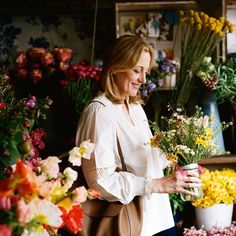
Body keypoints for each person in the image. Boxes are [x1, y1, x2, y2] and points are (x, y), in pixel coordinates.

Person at [75, 34, 201, 236]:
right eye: (137, 71)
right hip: (133, 224)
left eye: (146, 71)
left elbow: (149, 163)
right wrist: (155, 185)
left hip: (160, 216)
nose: (143, 79)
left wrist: (177, 148)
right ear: (116, 68)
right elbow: (99, 180)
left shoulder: (135, 107)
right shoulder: (99, 112)